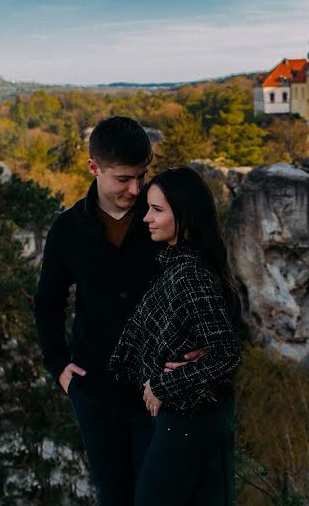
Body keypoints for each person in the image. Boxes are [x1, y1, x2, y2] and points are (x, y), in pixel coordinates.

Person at [33, 116, 198, 505]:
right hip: (97, 395)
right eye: (124, 178)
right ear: (94, 168)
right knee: (114, 497)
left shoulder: (167, 220)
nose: (135, 188)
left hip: (160, 393)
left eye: (141, 176)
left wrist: (201, 350)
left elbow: (208, 286)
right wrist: (59, 366)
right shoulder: (68, 229)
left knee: (158, 496)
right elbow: (47, 303)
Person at [110, 166, 241, 506]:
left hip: (190, 418)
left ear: (183, 214)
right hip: (187, 417)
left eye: (157, 210)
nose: (146, 219)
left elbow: (225, 353)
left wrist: (160, 385)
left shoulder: (190, 274)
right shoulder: (178, 266)